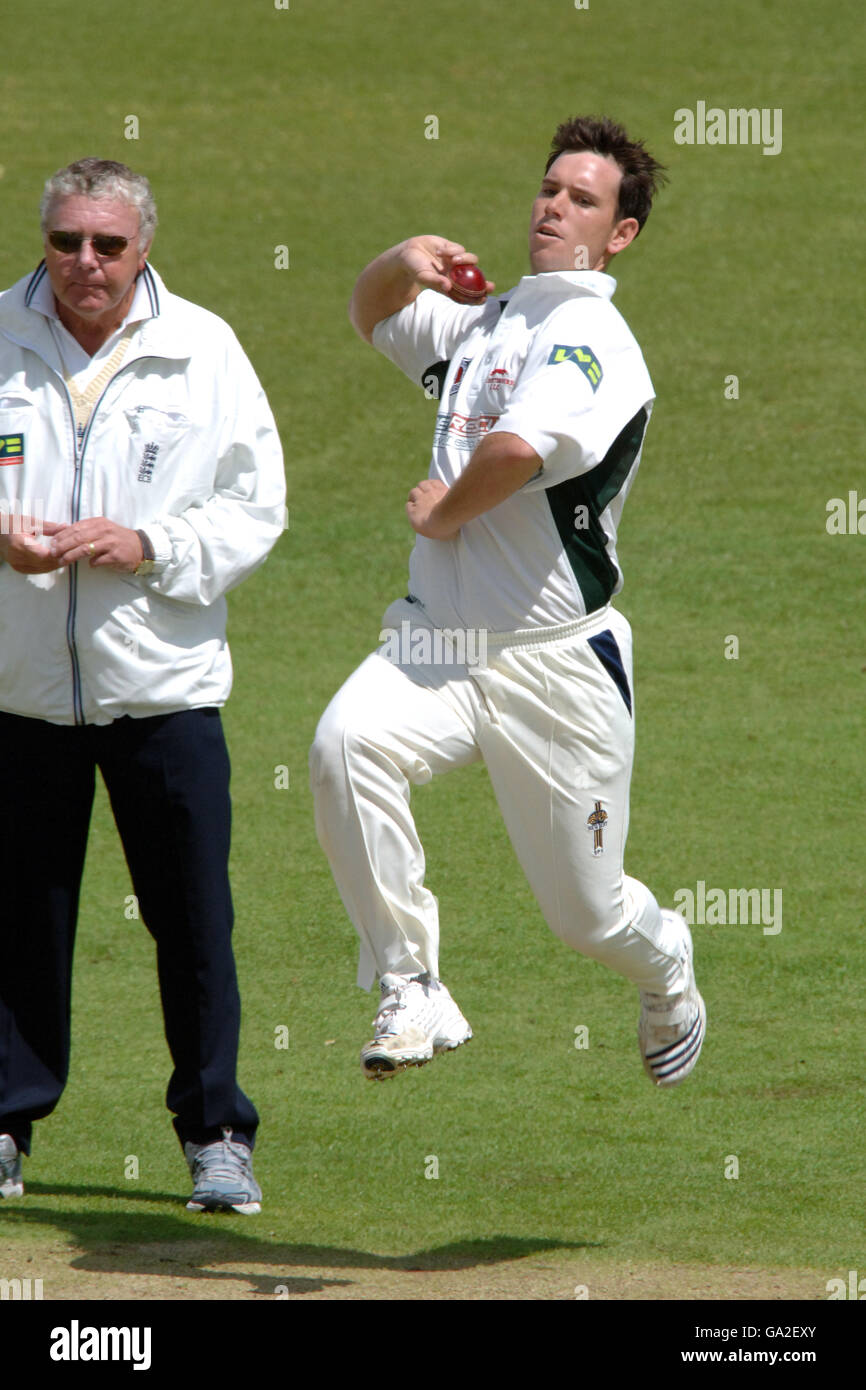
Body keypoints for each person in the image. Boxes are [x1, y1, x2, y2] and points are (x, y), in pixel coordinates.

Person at [310, 116, 706, 1087]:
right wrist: (398, 261)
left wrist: (443, 513)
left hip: (554, 663)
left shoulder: (591, 340)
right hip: (437, 644)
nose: (552, 206)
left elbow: (520, 451)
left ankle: (666, 967)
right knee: (343, 746)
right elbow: (370, 316)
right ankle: (411, 982)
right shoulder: (486, 323)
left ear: (618, 235)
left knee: (585, 914)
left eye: (581, 198)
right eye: (548, 188)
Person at [0, 158, 285, 1212]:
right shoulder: (1, 334)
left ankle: (216, 1132)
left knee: (193, 922)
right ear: (46, 239)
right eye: (68, 240)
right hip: (18, 695)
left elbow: (256, 508)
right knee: (19, 920)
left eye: (107, 245)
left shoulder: (201, 351)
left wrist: (148, 540)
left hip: (162, 692)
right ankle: (4, 1120)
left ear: (143, 247)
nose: (85, 263)